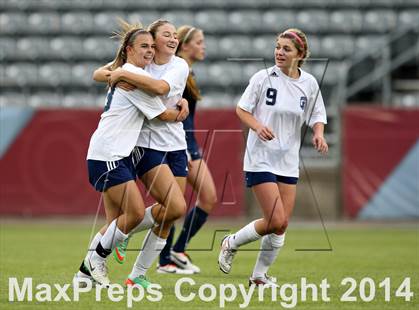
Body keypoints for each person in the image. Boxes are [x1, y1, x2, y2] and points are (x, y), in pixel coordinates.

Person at [73, 23, 188, 288]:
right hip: (110, 152)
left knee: (127, 219)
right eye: (145, 46)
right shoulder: (134, 75)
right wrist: (181, 109)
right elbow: (163, 111)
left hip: (117, 152)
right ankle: (97, 261)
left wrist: (117, 73)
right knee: (133, 215)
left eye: (150, 46)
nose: (149, 50)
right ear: (129, 50)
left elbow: (104, 73)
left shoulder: (136, 73)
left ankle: (84, 274)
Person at [218, 28, 328, 286]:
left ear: (300, 55)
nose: (279, 52)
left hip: (288, 160)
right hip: (260, 156)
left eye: (286, 49)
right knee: (276, 218)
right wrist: (257, 126)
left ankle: (258, 276)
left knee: (280, 225)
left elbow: (317, 114)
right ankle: (230, 242)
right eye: (277, 47)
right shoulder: (262, 77)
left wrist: (319, 134)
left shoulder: (309, 83)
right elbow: (242, 109)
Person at [156, 25, 218, 274]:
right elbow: (177, 113)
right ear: (184, 45)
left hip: (186, 143)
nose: (203, 47)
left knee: (204, 198)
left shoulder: (186, 71)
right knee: (178, 202)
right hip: (178, 144)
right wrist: (185, 147)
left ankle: (176, 251)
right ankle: (165, 259)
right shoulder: (178, 70)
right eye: (199, 42)